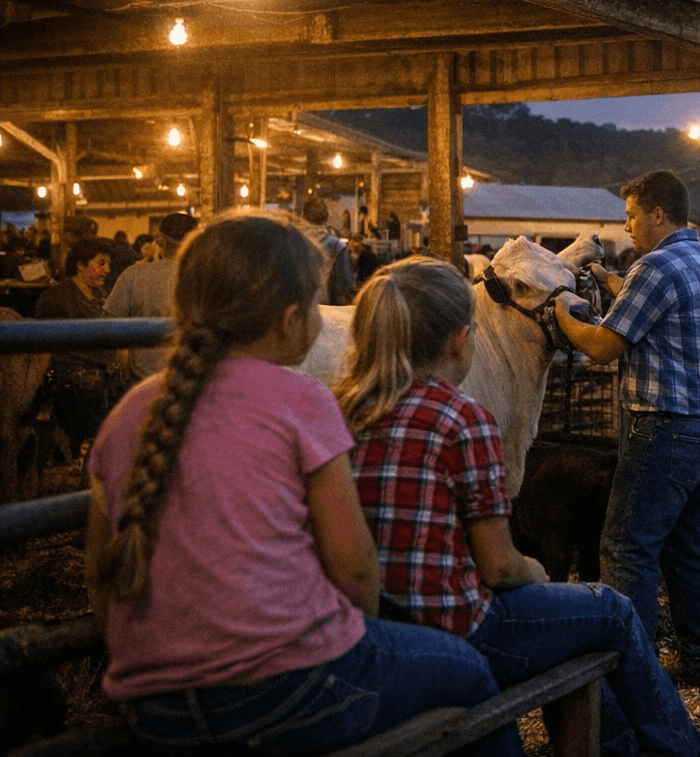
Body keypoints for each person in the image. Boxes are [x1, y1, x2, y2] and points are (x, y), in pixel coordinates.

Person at [83, 212, 516, 756]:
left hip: (155, 709)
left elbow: (100, 579)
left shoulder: (129, 411)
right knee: (472, 671)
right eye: (315, 303)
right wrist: (355, 643)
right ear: (292, 319)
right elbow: (355, 568)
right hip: (290, 687)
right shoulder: (301, 400)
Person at [343, 257, 700, 757]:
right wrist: (539, 575)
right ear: (459, 341)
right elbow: (498, 565)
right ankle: (679, 750)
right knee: (609, 609)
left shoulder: (342, 411)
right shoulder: (461, 417)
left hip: (384, 626)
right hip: (459, 623)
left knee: (569, 628)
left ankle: (617, 743)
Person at [553, 170, 700, 693]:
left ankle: (633, 674)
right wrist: (612, 280)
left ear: (657, 214)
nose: (627, 225)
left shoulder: (653, 268)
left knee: (627, 547)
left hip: (666, 430)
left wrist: (562, 313)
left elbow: (604, 347)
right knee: (694, 550)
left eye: (632, 215)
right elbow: (652, 307)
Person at [36, 235, 123, 462]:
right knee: (86, 444)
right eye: (101, 263)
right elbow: (44, 346)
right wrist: (37, 383)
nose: (106, 270)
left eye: (109, 265)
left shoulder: (102, 295)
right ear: (81, 264)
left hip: (104, 381)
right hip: (75, 384)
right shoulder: (56, 298)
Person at [105, 213, 198, 382]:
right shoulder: (208, 278)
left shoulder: (133, 275)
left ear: (160, 240)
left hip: (142, 377)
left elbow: (111, 324)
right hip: (191, 376)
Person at [303, 197, 356, 305]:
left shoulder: (291, 241)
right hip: (327, 310)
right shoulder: (337, 246)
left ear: (303, 217)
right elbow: (346, 286)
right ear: (326, 218)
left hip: (296, 311)